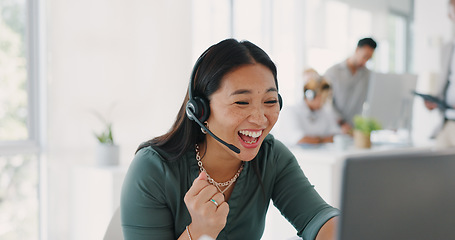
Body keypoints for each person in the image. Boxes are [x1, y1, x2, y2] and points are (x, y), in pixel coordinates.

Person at [121, 39, 339, 240]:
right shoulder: (152, 169)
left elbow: (317, 218)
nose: (260, 118)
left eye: (270, 101)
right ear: (200, 110)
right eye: (242, 102)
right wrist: (199, 232)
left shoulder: (271, 156)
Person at [323, 37, 377, 134]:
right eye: (364, 57)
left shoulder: (369, 75)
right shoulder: (333, 72)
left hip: (354, 129)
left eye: (369, 59)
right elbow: (326, 102)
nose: (365, 62)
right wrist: (341, 122)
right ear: (357, 50)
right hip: (334, 128)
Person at [273, 68, 340, 145]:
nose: (324, 102)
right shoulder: (291, 111)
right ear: (310, 96)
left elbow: (335, 135)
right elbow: (300, 139)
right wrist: (324, 139)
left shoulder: (325, 112)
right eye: (322, 98)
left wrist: (318, 139)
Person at [424, 0, 455, 148]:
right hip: (447, 122)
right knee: (437, 167)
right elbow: (447, 84)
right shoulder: (448, 48)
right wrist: (434, 100)